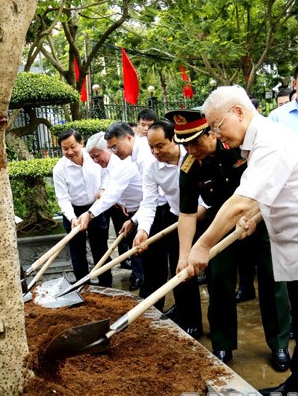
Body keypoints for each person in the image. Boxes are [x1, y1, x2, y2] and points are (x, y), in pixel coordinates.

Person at [183, 86, 298, 394]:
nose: (216, 134)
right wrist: (255, 215)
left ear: (237, 112)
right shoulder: (259, 143)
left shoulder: (271, 143)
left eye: (216, 126)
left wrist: (203, 245)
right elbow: (274, 192)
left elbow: (239, 201)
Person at [172, 108, 291, 368]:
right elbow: (187, 214)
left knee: (273, 280)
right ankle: (223, 345)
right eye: (185, 145)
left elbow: (268, 185)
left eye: (195, 142)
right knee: (219, 281)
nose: (191, 150)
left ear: (211, 132)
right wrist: (184, 256)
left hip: (258, 218)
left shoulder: (239, 149)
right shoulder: (190, 167)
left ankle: (279, 344)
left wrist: (253, 213)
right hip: (221, 225)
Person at [120, 118, 204, 338]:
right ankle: (187, 317)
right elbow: (148, 202)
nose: (155, 152)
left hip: (205, 217)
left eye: (160, 146)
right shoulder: (152, 168)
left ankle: (197, 322)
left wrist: (199, 212)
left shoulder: (195, 158)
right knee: (181, 268)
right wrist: (143, 231)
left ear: (174, 140)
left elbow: (206, 198)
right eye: (151, 147)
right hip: (181, 221)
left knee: (202, 273)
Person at [75, 131, 143, 288]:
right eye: (92, 157)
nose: (95, 160)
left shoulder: (122, 164)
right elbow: (112, 190)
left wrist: (89, 214)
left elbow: (111, 194)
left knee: (147, 258)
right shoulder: (108, 164)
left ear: (108, 149)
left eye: (97, 155)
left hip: (146, 210)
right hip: (133, 212)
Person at [52, 129, 110, 287]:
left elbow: (106, 172)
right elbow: (63, 198)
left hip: (95, 207)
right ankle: (83, 287)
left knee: (101, 248)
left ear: (81, 143)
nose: (70, 152)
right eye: (65, 149)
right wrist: (72, 219)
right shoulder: (59, 169)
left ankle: (106, 285)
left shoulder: (94, 157)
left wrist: (103, 189)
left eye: (73, 147)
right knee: (77, 252)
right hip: (73, 211)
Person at [104, 122, 153, 289]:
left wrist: (137, 222)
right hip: (141, 210)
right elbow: (150, 198)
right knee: (150, 264)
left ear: (129, 138)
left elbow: (152, 198)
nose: (114, 152)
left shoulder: (145, 156)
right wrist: (134, 221)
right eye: (111, 148)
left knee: (156, 265)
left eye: (115, 147)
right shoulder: (133, 157)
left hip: (161, 211)